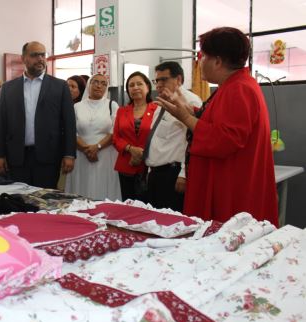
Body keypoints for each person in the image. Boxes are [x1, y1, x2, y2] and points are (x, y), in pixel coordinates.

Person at [156, 27, 278, 226]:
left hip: (231, 188)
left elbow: (225, 139)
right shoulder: (233, 85)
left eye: (203, 57)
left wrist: (185, 117)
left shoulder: (239, 89)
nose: (200, 63)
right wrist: (190, 110)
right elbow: (217, 121)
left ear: (218, 61)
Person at [0, 41, 76, 189]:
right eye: (34, 55)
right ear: (24, 58)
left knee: (46, 201)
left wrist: (69, 154)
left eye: (42, 55)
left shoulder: (59, 86)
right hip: (17, 158)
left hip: (48, 157)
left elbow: (69, 122)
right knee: (19, 200)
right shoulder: (7, 89)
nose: (40, 59)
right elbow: (1, 123)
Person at [145, 62, 202, 212]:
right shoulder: (161, 101)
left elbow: (191, 141)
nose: (159, 84)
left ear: (178, 79)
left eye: (164, 79)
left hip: (173, 174)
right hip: (156, 173)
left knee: (170, 224)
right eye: (157, 80)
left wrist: (183, 174)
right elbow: (156, 138)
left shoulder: (191, 101)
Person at [65, 74, 121, 200]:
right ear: (89, 85)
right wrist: (87, 149)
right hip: (81, 155)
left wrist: (98, 147)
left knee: (103, 190)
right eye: (95, 82)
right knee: (81, 189)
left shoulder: (112, 105)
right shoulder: (77, 107)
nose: (99, 86)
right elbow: (71, 132)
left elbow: (115, 131)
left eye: (103, 83)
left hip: (105, 156)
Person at [113, 71, 157, 201]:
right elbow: (116, 137)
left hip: (149, 165)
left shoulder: (157, 109)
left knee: (148, 205)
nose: (135, 87)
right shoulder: (122, 111)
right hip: (126, 164)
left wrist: (140, 153)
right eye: (131, 85)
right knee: (128, 203)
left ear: (148, 87)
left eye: (139, 84)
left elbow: (159, 136)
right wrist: (130, 149)